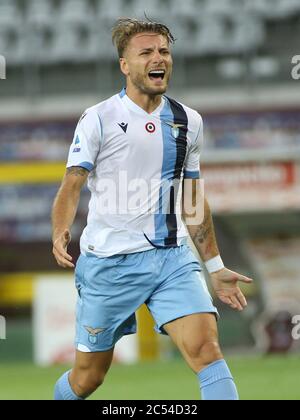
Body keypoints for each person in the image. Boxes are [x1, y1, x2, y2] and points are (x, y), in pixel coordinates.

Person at [52, 18, 252, 401]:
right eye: (146, 52)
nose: (158, 58)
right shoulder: (98, 118)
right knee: (87, 378)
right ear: (125, 65)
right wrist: (60, 228)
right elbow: (72, 183)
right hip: (109, 264)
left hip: (172, 259)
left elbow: (192, 196)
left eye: (163, 51)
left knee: (207, 352)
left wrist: (214, 265)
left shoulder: (188, 121)